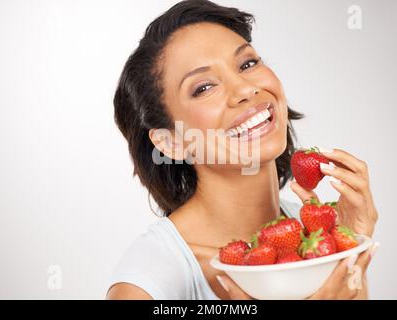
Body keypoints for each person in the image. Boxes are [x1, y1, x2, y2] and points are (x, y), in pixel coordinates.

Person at [107, 0, 378, 300]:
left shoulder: (315, 236)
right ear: (171, 142)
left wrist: (350, 247)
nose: (245, 89)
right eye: (204, 87)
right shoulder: (148, 281)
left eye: (247, 64)